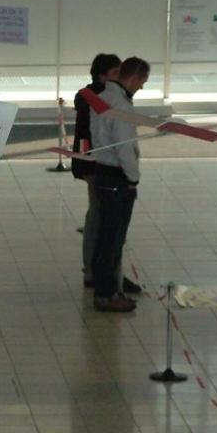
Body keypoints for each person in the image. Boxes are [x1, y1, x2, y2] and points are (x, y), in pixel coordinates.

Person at [89, 56, 150, 312]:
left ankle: (104, 288)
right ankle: (107, 294)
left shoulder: (103, 97)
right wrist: (133, 178)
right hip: (117, 178)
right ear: (133, 77)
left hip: (102, 172)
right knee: (113, 239)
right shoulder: (121, 106)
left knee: (105, 236)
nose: (142, 87)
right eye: (142, 82)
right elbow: (124, 148)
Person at [70, 53, 123, 289]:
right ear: (102, 75)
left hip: (97, 162)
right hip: (97, 163)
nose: (120, 77)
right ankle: (95, 270)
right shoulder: (94, 98)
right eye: (115, 73)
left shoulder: (93, 95)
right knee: (99, 215)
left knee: (102, 214)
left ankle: (106, 269)